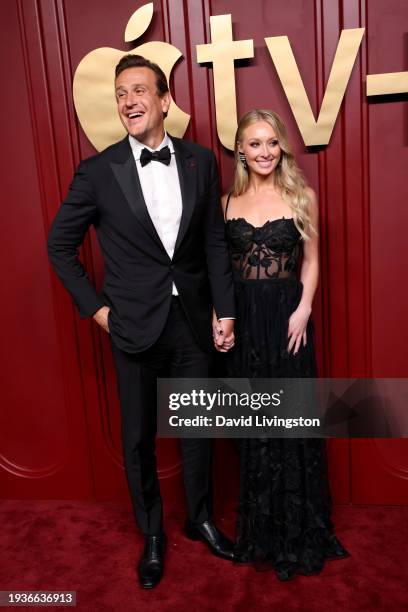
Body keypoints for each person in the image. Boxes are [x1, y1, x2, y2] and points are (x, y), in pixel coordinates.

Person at [47, 54, 236, 589]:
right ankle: (152, 532)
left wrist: (226, 310)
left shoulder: (201, 160)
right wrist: (98, 310)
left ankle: (199, 519)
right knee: (138, 437)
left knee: (198, 428)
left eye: (138, 90)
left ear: (163, 99)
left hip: (193, 321)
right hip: (131, 324)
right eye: (120, 94)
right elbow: (59, 247)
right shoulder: (98, 171)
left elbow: (214, 243)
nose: (128, 101)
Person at [218, 109, 349, 580]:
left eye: (271, 142)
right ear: (241, 151)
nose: (264, 152)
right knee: (253, 424)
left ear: (282, 146)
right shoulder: (226, 202)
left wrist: (305, 308)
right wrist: (221, 316)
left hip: (287, 318)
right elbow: (222, 272)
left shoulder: (302, 196)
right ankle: (262, 532)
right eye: (254, 144)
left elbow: (312, 260)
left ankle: (297, 532)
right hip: (245, 325)